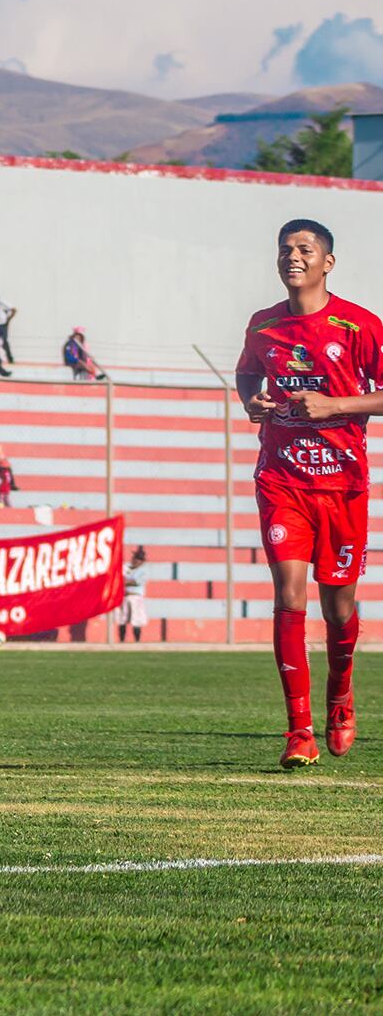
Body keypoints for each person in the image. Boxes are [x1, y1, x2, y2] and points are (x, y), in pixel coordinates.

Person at [234, 218, 380, 767]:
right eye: (285, 248)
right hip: (282, 480)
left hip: (342, 485)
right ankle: (299, 730)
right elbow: (248, 375)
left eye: (304, 248)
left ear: (327, 262)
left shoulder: (359, 325)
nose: (292, 256)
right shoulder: (263, 325)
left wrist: (336, 406)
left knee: (338, 606)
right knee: (288, 595)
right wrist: (253, 403)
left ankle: (340, 695)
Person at [118, 546, 148, 643]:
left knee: (136, 619)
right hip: (125, 596)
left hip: (136, 596)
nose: (138, 561)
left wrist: (124, 582)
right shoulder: (126, 567)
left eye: (140, 559)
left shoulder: (143, 571)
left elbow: (136, 582)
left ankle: (137, 641)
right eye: (137, 558)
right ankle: (122, 640)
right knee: (122, 619)